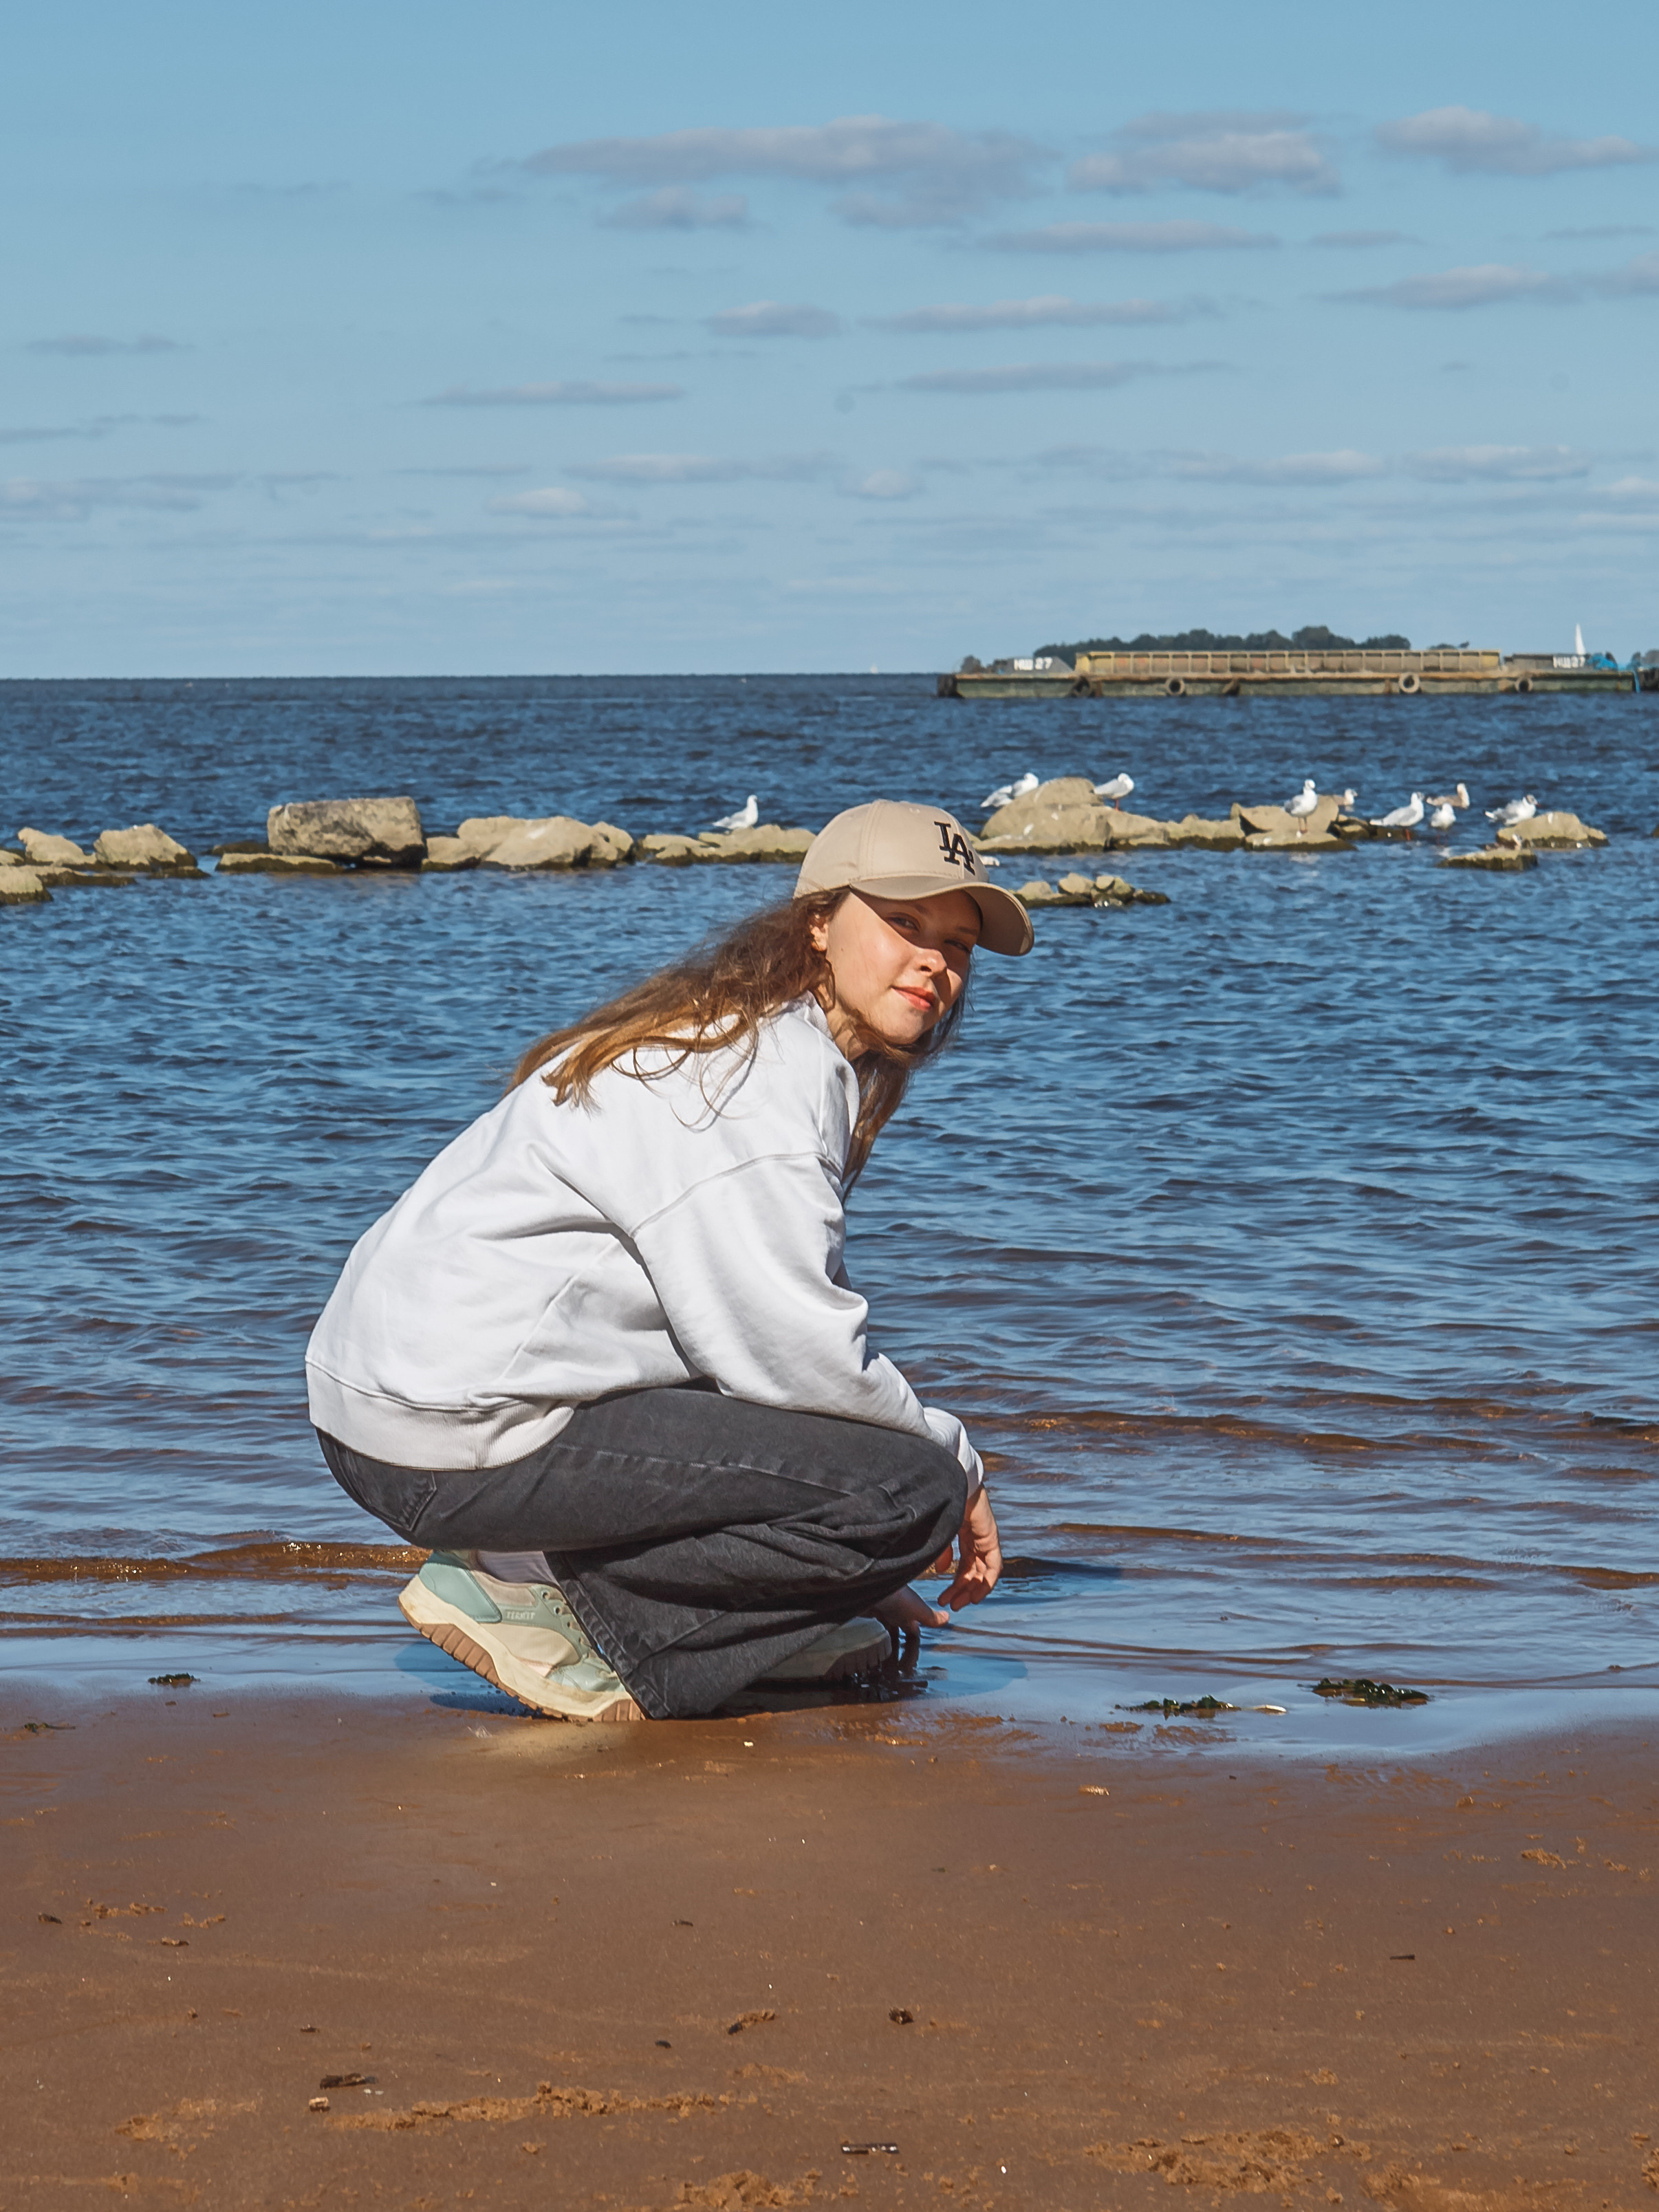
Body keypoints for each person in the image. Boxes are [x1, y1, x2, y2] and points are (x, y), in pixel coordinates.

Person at [307, 799, 1032, 1722]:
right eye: (903, 922)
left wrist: (812, 1585)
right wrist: (948, 1481)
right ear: (817, 925)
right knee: (909, 1488)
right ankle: (549, 1607)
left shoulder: (746, 1032)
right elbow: (794, 1353)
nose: (935, 960)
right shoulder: (764, 1077)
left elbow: (737, 1354)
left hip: (393, 1408)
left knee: (859, 1464)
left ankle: (679, 1611)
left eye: (958, 943)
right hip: (450, 1433)